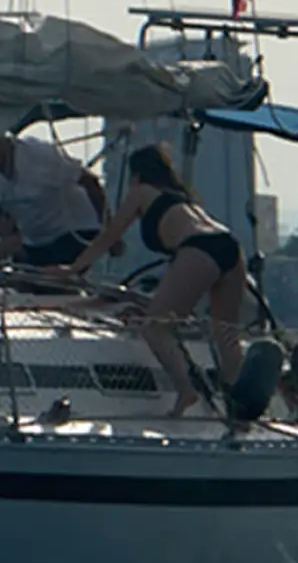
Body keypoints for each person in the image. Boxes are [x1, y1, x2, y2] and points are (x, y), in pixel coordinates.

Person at [43, 144, 245, 417]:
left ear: (135, 174)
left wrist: (74, 268)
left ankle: (186, 391)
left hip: (198, 249)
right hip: (229, 245)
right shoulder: (182, 199)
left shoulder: (141, 192)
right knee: (226, 334)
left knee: (154, 327)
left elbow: (111, 234)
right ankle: (239, 404)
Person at [0, 135, 122, 268]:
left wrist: (110, 233)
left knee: (50, 281)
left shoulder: (38, 154)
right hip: (37, 239)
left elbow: (90, 182)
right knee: (21, 281)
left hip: (76, 231)